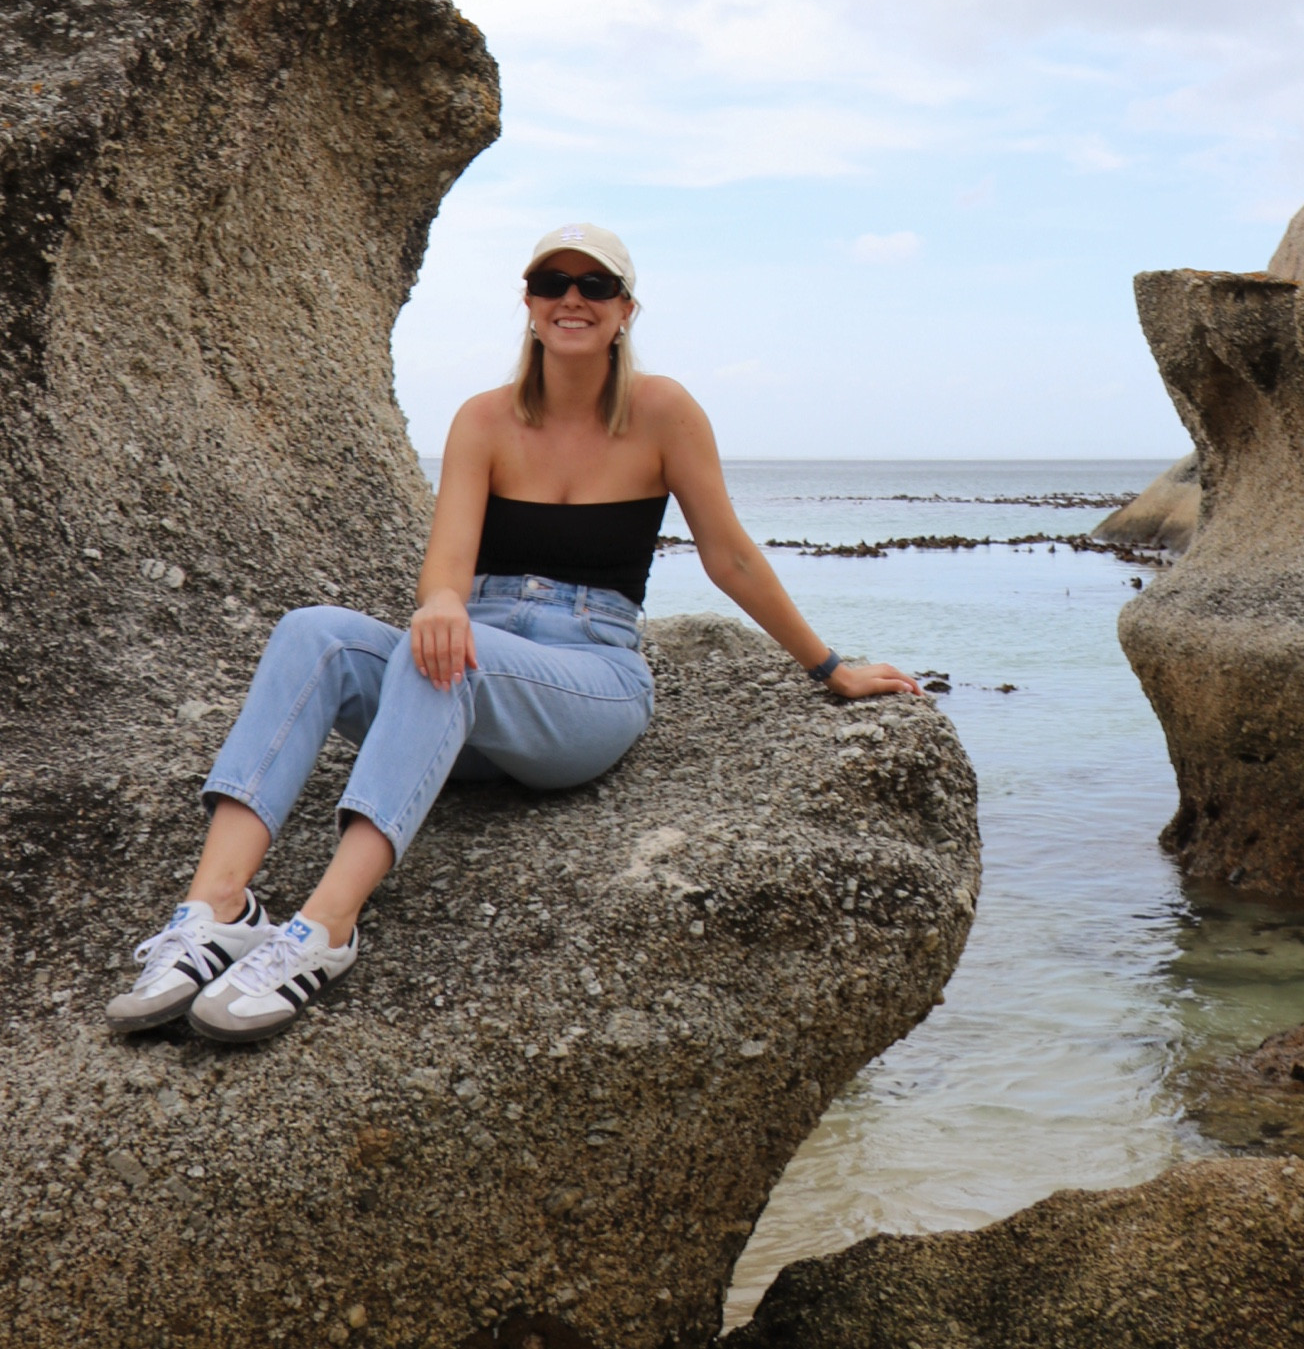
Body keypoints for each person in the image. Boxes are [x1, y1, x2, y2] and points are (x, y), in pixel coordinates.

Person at [106, 222, 921, 1043]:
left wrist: (830, 667)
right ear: (529, 305)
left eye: (594, 285)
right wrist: (440, 602)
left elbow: (731, 556)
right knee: (312, 632)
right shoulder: (485, 420)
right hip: (467, 684)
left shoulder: (663, 412)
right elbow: (446, 572)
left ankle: (325, 926)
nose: (573, 298)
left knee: (452, 655)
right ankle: (218, 908)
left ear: (625, 310)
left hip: (586, 680)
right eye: (552, 283)